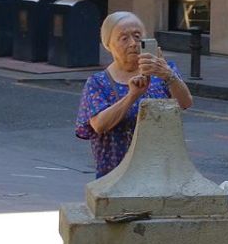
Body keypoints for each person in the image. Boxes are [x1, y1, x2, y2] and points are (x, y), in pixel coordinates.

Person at [75, 11, 194, 178]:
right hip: (117, 176)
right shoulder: (98, 82)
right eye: (124, 38)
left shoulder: (163, 71)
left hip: (160, 173)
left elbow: (185, 103)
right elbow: (99, 125)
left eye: (137, 36)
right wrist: (132, 96)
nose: (133, 43)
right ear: (108, 44)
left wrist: (168, 75)